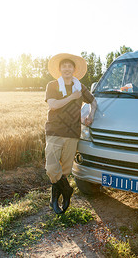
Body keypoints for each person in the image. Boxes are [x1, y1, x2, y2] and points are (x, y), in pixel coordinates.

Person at [45, 53, 97, 214]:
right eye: (64, 66)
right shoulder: (52, 85)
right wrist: (72, 97)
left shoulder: (80, 87)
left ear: (74, 70)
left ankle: (56, 199)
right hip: (54, 131)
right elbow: (53, 105)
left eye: (70, 66)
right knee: (51, 168)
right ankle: (67, 191)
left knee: (65, 170)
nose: (67, 69)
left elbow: (93, 101)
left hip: (73, 133)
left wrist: (91, 115)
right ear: (60, 69)